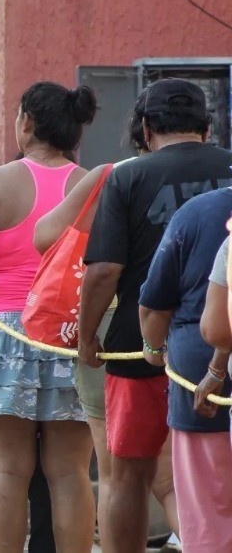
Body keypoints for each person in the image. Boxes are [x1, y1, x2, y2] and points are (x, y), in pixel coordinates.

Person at [77, 78, 232, 551]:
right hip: (220, 346)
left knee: (127, 475)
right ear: (206, 128)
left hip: (140, 346)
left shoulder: (127, 176)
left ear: (145, 129)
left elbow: (103, 270)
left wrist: (87, 336)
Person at [0, 83, 96, 552]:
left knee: (6, 470)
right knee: (70, 472)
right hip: (69, 332)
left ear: (26, 121)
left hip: (4, 333)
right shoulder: (90, 184)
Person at [33, 109, 150, 543]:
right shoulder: (216, 174)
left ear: (141, 132)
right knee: (173, 471)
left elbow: (46, 235)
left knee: (115, 469)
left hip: (111, 325)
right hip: (190, 326)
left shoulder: (112, 175)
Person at [140, 186, 232, 551]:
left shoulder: (201, 215)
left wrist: (215, 370)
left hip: (199, 373)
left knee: (209, 511)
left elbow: (217, 328)